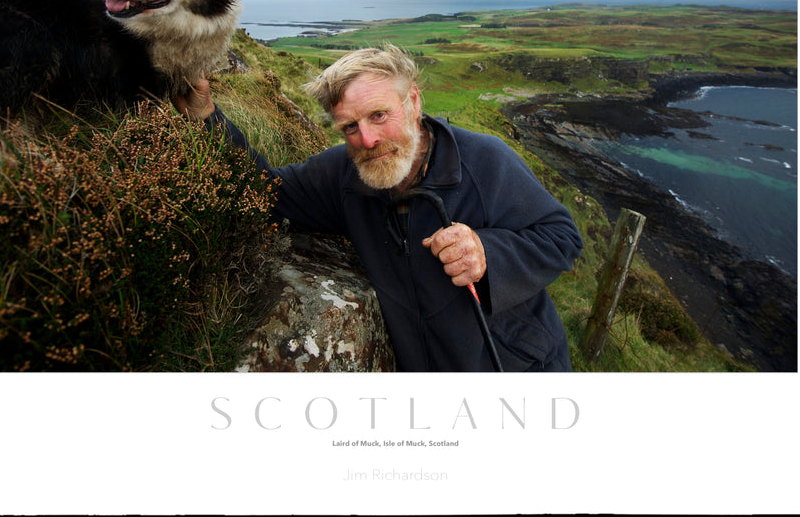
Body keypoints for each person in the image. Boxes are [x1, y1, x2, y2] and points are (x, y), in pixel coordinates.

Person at [175, 44, 583, 372]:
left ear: (414, 102)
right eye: (350, 127)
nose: (367, 139)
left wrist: (486, 252)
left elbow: (562, 238)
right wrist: (205, 116)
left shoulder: (485, 160)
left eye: (379, 115)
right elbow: (265, 193)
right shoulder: (341, 175)